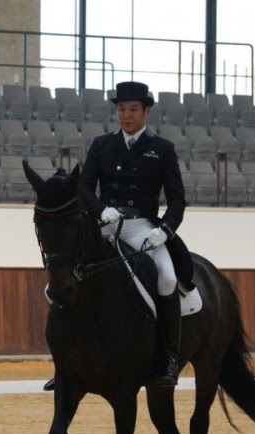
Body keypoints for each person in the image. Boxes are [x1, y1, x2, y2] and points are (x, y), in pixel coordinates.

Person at [78, 80, 187, 387]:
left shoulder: (162, 150)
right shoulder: (101, 145)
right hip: (106, 224)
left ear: (146, 112)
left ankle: (168, 357)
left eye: (133, 109)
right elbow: (84, 186)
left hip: (142, 227)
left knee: (166, 277)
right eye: (121, 109)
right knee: (70, 275)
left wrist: (164, 230)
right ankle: (67, 360)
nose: (126, 115)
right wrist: (100, 210)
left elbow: (177, 199)